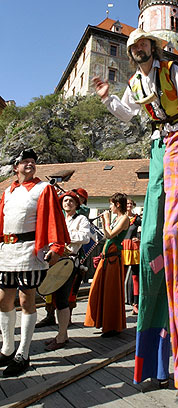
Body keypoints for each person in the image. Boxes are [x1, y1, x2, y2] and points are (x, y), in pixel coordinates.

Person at [93, 27, 178, 402]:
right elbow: (127, 114)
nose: (138, 49)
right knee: (152, 242)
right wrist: (107, 98)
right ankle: (154, 361)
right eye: (132, 46)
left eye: (143, 43)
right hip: (156, 145)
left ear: (152, 47)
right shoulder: (136, 83)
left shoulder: (173, 71)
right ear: (130, 53)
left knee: (173, 236)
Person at [0, 148, 69, 377]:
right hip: (7, 251)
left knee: (25, 299)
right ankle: (7, 348)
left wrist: (56, 247)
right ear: (15, 167)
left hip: (30, 251)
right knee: (3, 299)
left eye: (32, 161)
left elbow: (53, 219)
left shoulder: (43, 188)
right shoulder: (7, 191)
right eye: (24, 161)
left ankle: (24, 353)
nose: (30, 164)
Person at [44, 191, 90, 351]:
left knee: (62, 299)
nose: (67, 203)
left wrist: (63, 235)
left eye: (71, 201)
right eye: (65, 200)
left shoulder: (81, 219)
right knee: (57, 299)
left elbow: (85, 237)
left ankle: (62, 336)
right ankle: (61, 334)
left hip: (69, 262)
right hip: (55, 261)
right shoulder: (59, 219)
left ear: (77, 204)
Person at [84, 192, 129, 336]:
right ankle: (103, 321)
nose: (109, 207)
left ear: (117, 205)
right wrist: (105, 222)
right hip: (107, 257)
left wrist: (106, 221)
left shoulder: (124, 218)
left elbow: (110, 235)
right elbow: (106, 234)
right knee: (99, 289)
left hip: (113, 260)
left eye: (111, 204)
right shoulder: (117, 218)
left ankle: (111, 325)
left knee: (111, 292)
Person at [122, 198, 142, 315]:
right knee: (121, 276)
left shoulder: (137, 218)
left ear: (133, 205)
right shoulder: (120, 218)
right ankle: (120, 303)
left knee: (135, 277)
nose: (128, 205)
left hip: (133, 248)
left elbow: (146, 229)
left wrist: (139, 238)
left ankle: (136, 304)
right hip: (122, 248)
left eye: (130, 203)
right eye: (127, 203)